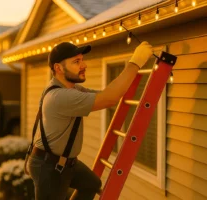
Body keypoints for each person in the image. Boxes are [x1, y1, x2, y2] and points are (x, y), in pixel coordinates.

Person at [26, 41, 153, 200]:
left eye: (82, 60)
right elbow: (109, 98)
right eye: (76, 62)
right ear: (58, 68)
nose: (84, 65)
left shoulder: (71, 89)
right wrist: (135, 63)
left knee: (91, 184)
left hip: (64, 163)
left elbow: (106, 95)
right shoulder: (61, 96)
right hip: (50, 167)